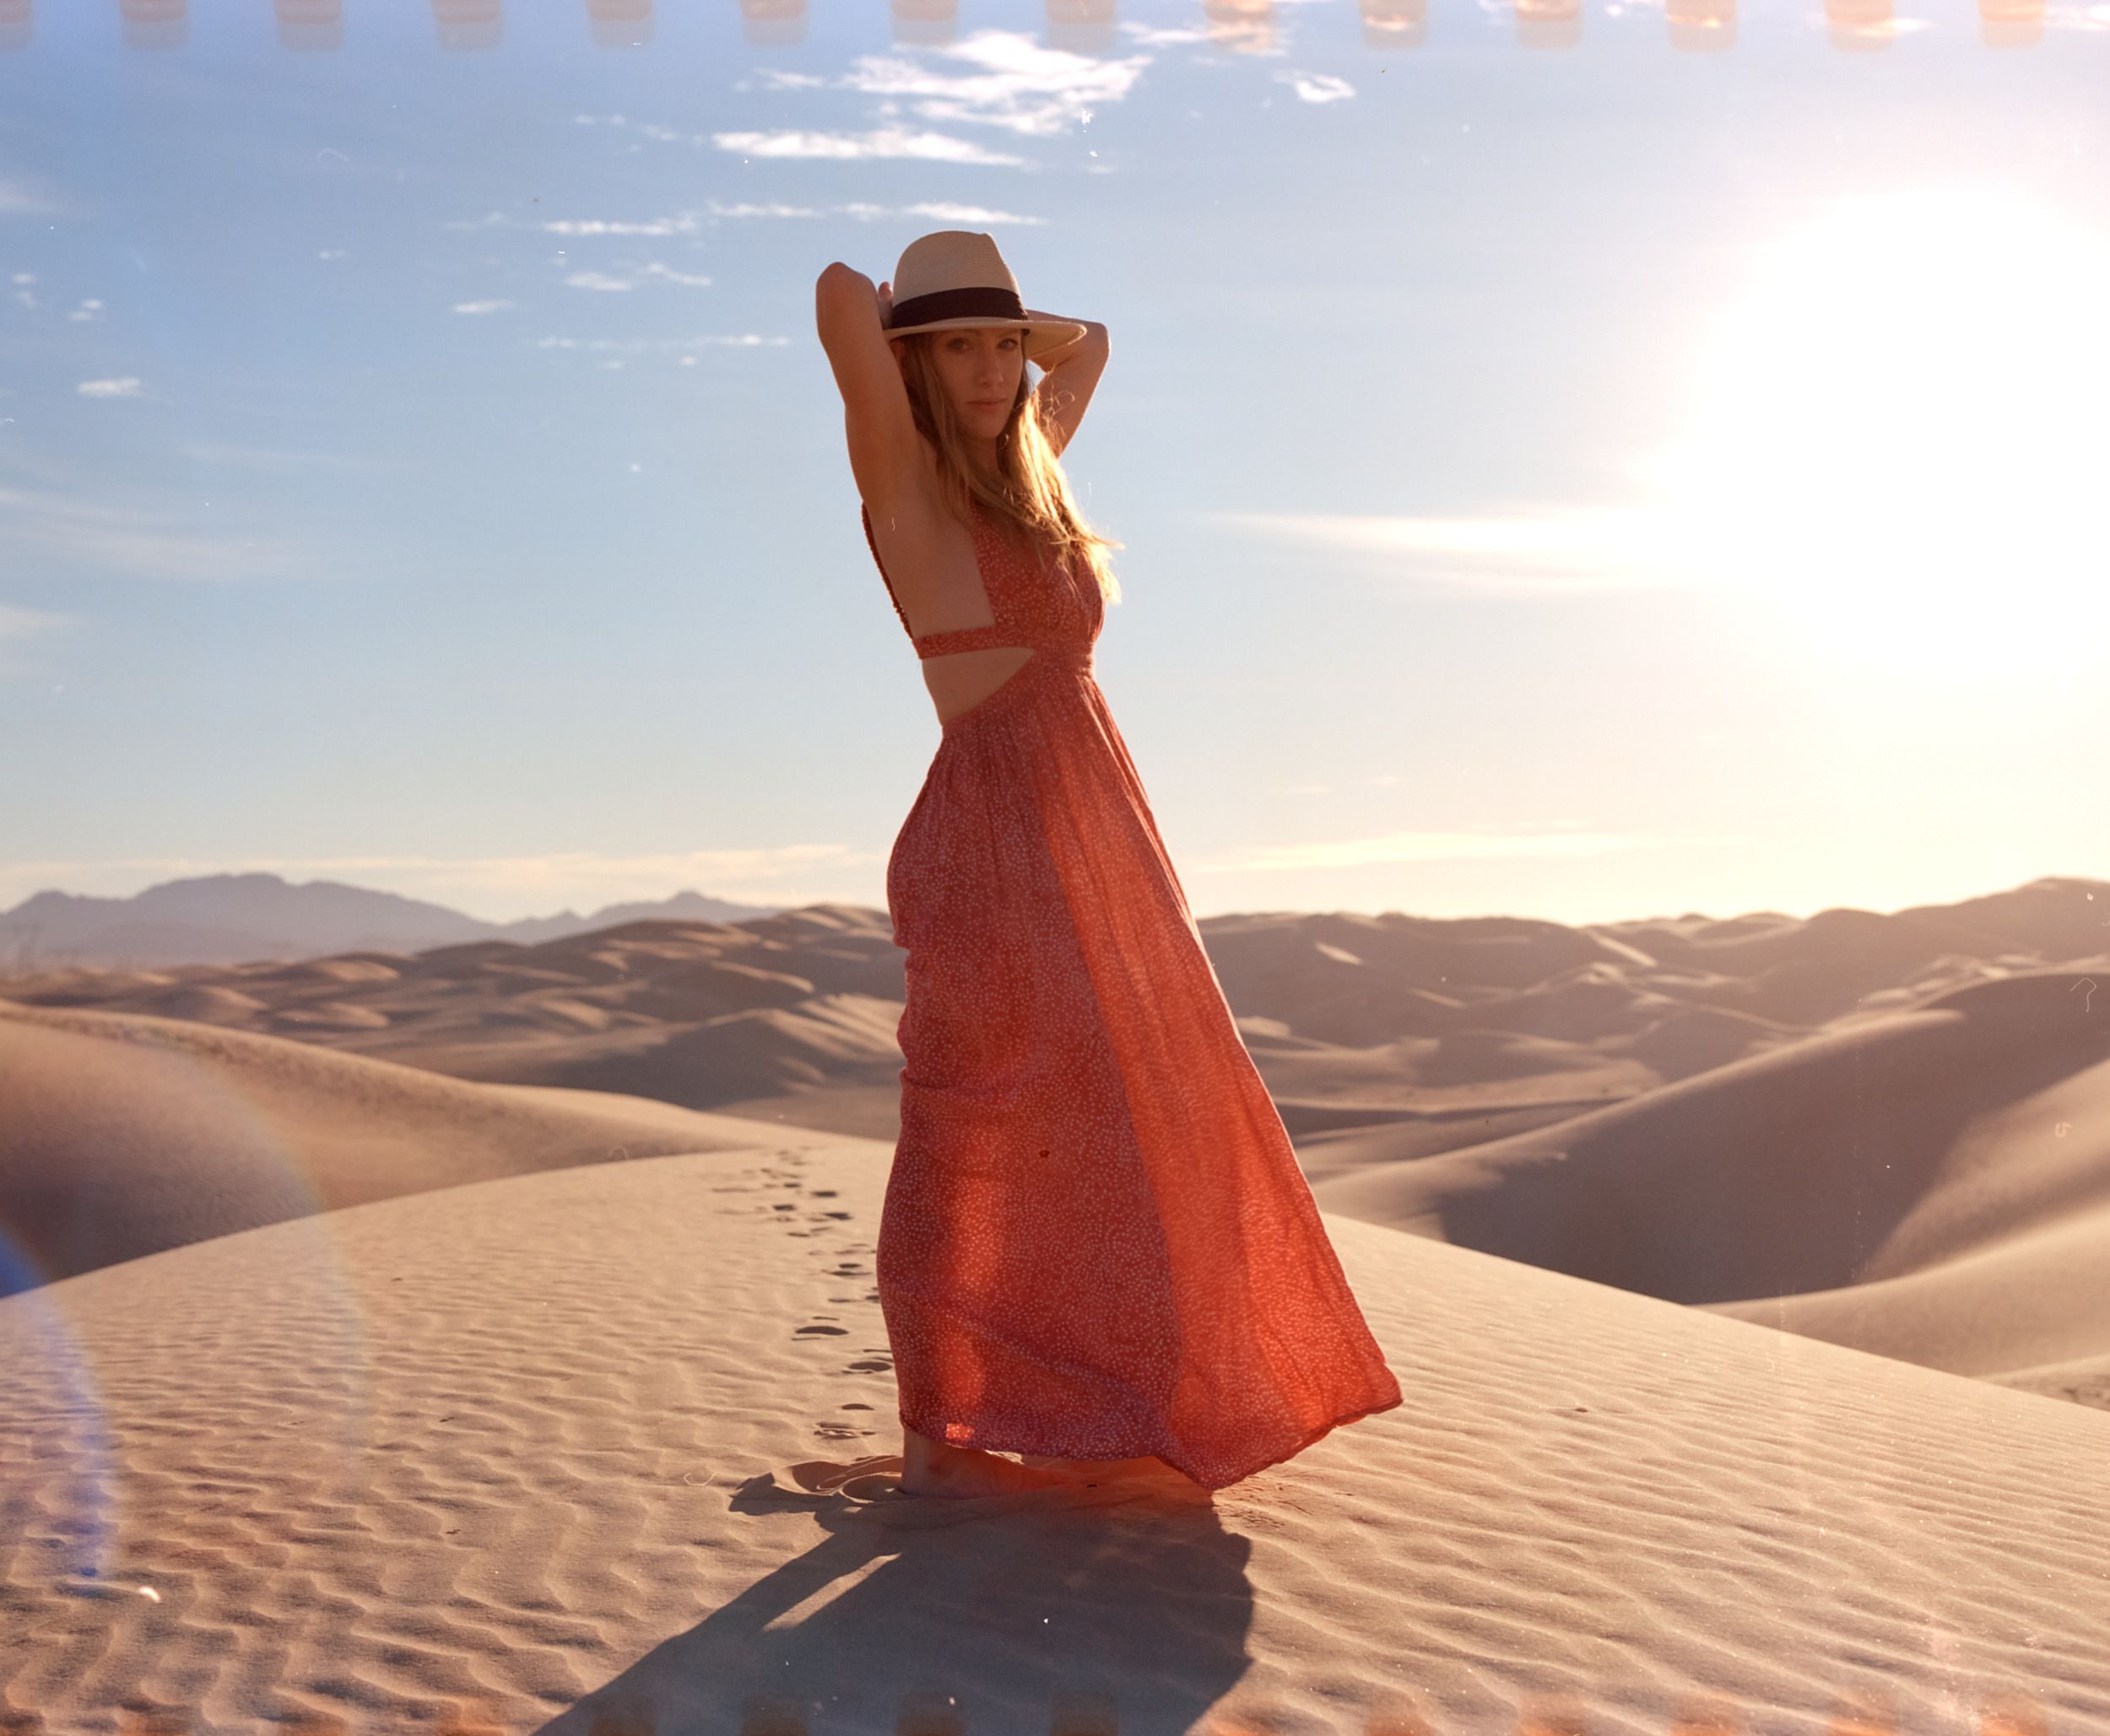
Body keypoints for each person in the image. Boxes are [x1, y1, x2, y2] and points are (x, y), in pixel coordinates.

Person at [814, 230, 1404, 1501]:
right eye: (957, 348)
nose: (989, 371)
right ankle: (940, 1422)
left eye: (1001, 346)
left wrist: (1008, 336)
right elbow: (838, 306)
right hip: (990, 832)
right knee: (969, 1124)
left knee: (1121, 1122)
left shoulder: (1026, 482)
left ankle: (1115, 1400)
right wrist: (912, 310)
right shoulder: (904, 488)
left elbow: (1093, 348)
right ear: (916, 362)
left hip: (1099, 837)